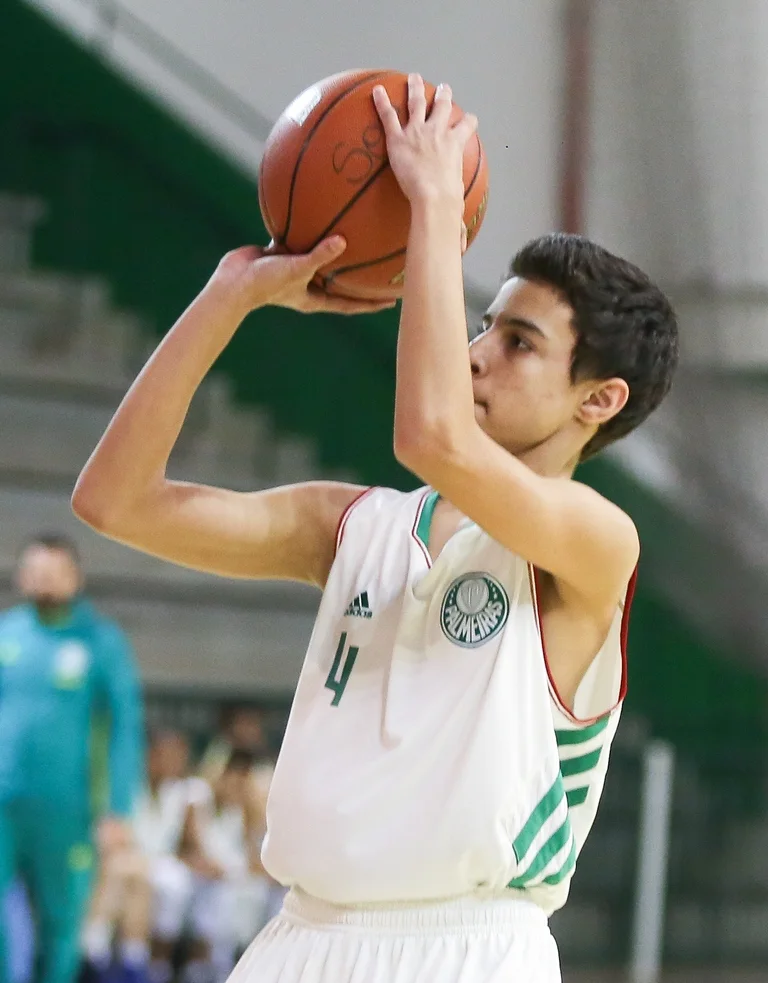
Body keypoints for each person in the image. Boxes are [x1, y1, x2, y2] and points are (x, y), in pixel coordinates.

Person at [71, 74, 678, 983]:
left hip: (467, 948)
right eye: (484, 324)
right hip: (299, 940)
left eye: (518, 343)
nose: (476, 351)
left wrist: (435, 198)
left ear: (599, 398)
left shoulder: (595, 542)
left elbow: (431, 435)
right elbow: (114, 500)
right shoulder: (354, 524)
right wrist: (228, 295)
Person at [0, 534, 144, 983]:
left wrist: (118, 808)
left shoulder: (101, 642)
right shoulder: (7, 633)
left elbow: (124, 728)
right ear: (21, 576)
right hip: (4, 803)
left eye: (55, 571)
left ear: (76, 578)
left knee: (61, 924)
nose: (44, 580)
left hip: (68, 809)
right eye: (36, 570)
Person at [81, 729, 194, 983]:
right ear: (151, 756)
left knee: (158, 878)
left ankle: (112, 954)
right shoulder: (126, 786)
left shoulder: (181, 793)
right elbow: (114, 835)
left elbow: (186, 844)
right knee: (129, 872)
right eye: (168, 756)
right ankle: (124, 956)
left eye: (179, 757)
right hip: (121, 860)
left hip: (155, 862)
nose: (174, 763)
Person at [178, 749, 268, 983]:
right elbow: (189, 848)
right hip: (195, 875)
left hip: (227, 877)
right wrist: (211, 868)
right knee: (216, 894)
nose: (236, 785)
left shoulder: (240, 806)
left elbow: (252, 854)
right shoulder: (198, 796)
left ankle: (228, 965)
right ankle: (201, 966)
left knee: (252, 892)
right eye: (233, 776)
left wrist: (251, 803)